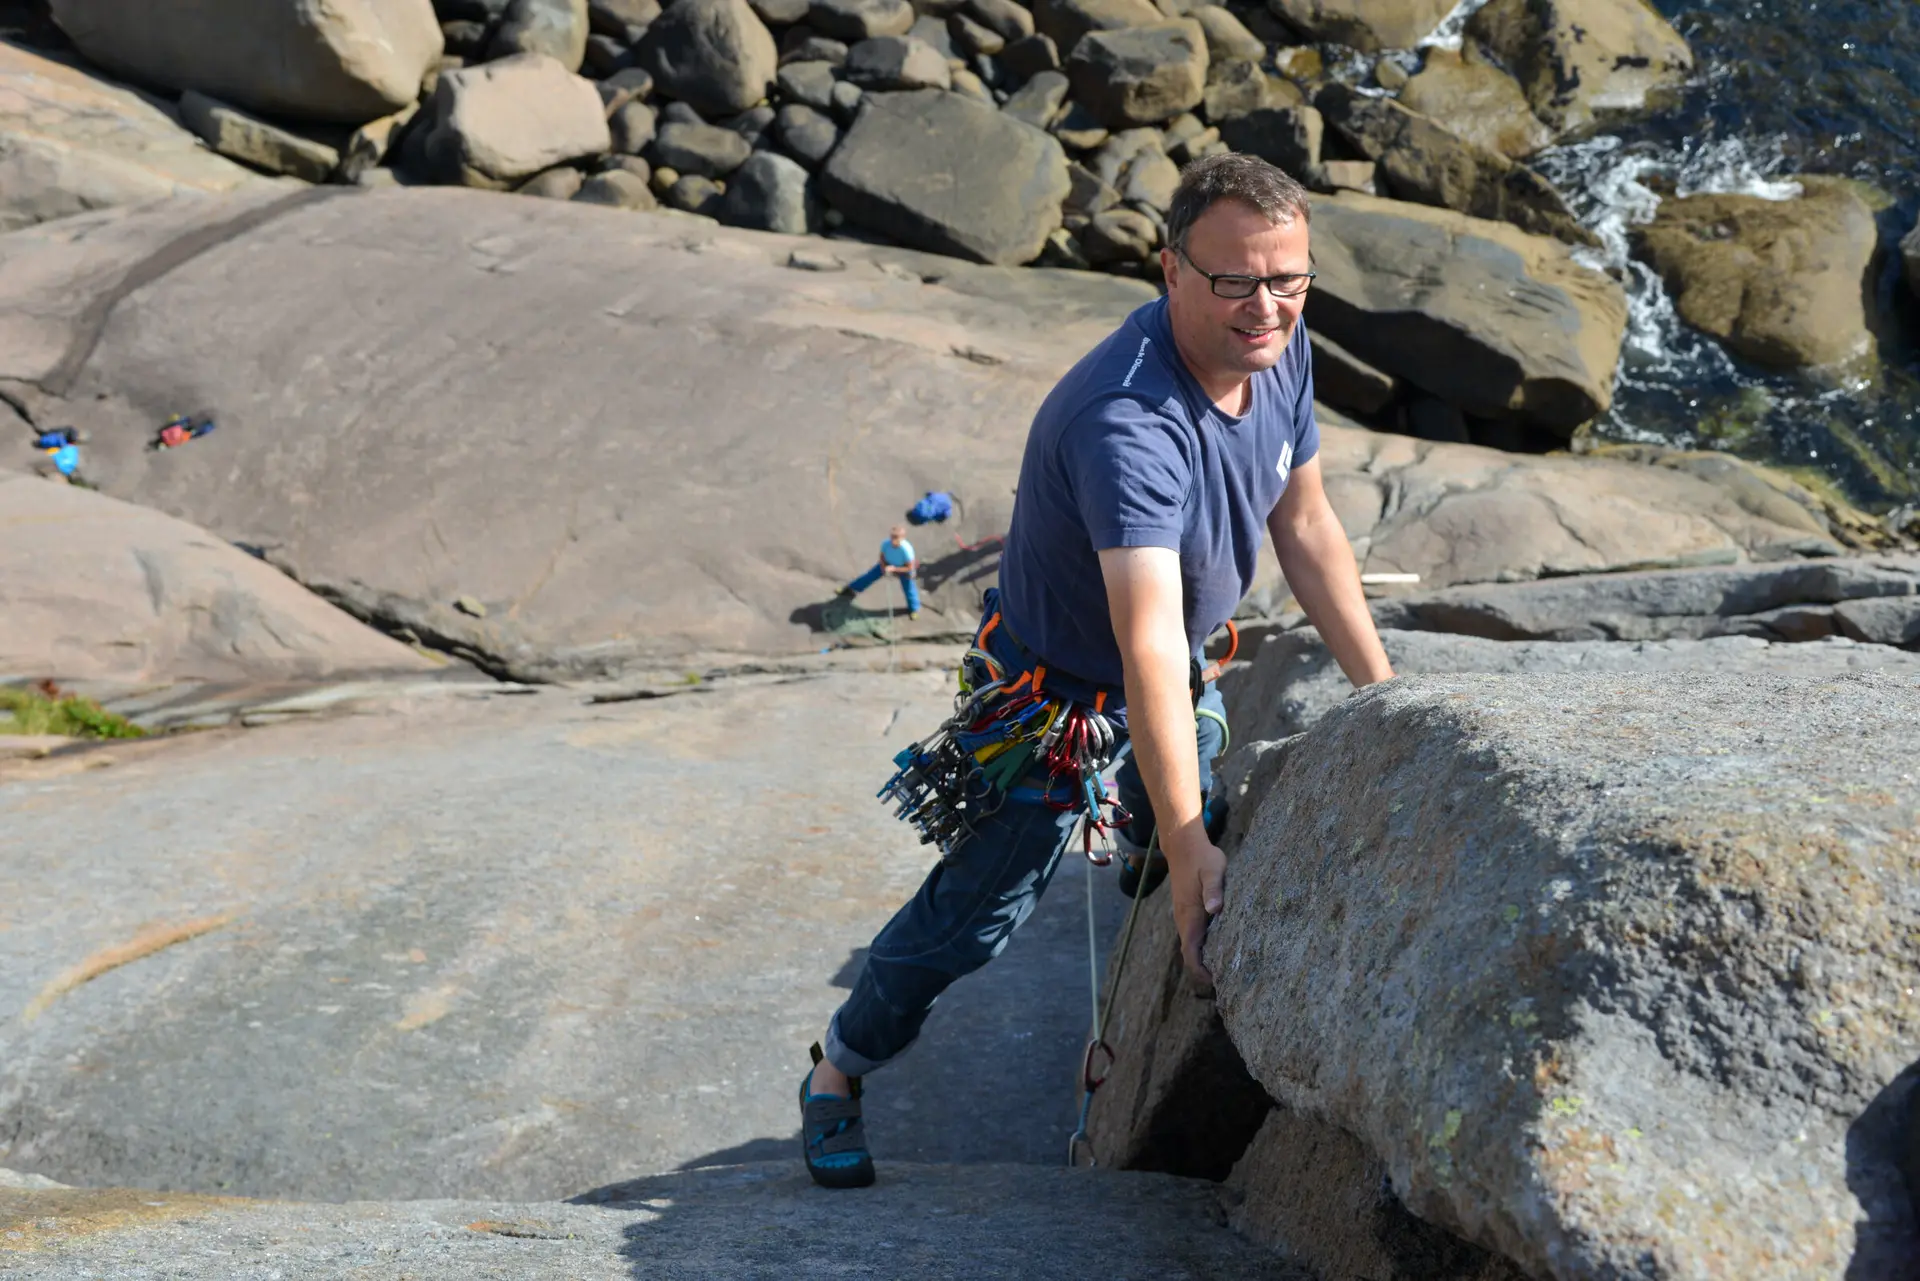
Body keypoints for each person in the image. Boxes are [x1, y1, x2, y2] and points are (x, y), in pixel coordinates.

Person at [799, 153, 1397, 1188]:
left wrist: (1388, 701)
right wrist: (1184, 841)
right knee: (978, 916)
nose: (1267, 307)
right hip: (1054, 703)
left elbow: (1305, 524)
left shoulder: (1274, 348)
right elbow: (1147, 644)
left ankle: (1148, 847)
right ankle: (838, 1073)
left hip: (1176, 669)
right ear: (1170, 270)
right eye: (1237, 281)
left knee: (1190, 800)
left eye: (1289, 280)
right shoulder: (1127, 424)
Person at [838, 525, 921, 620]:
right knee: (869, 576)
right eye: (892, 537)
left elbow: (909, 568)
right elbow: (881, 557)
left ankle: (914, 609)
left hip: (903, 569)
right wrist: (883, 567)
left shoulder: (906, 550)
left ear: (903, 538)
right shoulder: (886, 544)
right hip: (887, 564)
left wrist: (894, 569)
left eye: (896, 538)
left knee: (909, 589)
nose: (893, 540)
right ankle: (851, 589)